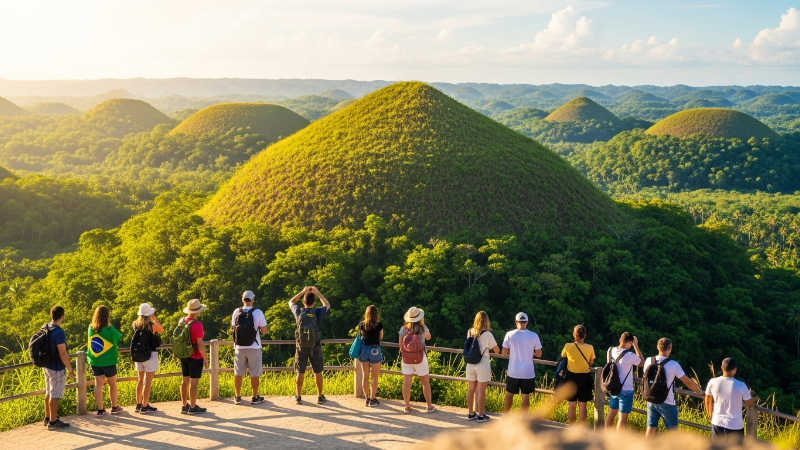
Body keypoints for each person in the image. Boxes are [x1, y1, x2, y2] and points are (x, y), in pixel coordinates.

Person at [644, 338, 703, 437]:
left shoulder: (648, 360)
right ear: (670, 348)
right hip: (667, 402)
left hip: (651, 398)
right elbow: (687, 381)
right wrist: (698, 391)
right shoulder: (673, 364)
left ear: (657, 347)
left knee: (651, 428)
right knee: (672, 432)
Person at [289, 286, 331, 405]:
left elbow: (291, 302)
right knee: (317, 371)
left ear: (303, 302)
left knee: (300, 372)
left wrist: (302, 291)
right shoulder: (317, 312)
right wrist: (318, 292)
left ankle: (298, 396)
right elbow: (327, 304)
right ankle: (320, 397)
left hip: (301, 347)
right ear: (314, 302)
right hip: (315, 346)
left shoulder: (298, 311)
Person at [704, 357, 755, 444]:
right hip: (735, 425)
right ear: (735, 369)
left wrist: (710, 416)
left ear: (722, 368)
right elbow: (750, 404)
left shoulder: (712, 381)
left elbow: (708, 401)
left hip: (717, 422)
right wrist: (748, 395)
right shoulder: (741, 385)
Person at [231, 290, 268, 405]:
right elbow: (264, 331)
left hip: (239, 346)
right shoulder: (258, 312)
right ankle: (255, 397)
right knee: (254, 372)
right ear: (253, 300)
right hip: (254, 346)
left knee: (238, 372)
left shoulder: (237, 311)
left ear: (243, 299)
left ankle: (237, 397)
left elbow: (233, 328)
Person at [502, 312, 542, 415]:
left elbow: (504, 353)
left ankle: (505, 417)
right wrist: (529, 351)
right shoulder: (534, 335)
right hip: (527, 372)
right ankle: (522, 421)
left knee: (509, 394)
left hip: (513, 371)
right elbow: (539, 354)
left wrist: (513, 351)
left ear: (516, 322)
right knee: (525, 396)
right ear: (527, 322)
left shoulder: (509, 334)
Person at [87, 305, 123, 416]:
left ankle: (100, 410)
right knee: (112, 384)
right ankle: (114, 407)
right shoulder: (109, 328)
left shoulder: (91, 328)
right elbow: (118, 336)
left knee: (98, 385)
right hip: (109, 360)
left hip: (95, 360)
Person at [43, 305, 75, 430]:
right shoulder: (59, 332)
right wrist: (69, 368)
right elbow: (62, 353)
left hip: (47, 365)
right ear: (62, 317)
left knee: (49, 391)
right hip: (56, 367)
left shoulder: (46, 327)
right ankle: (53, 422)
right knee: (55, 394)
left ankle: (47, 418)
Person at [604, 332, 644, 431]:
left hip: (613, 387)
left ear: (620, 340)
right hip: (626, 389)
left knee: (611, 413)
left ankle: (606, 436)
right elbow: (642, 363)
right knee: (622, 419)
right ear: (630, 342)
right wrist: (636, 345)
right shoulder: (630, 355)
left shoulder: (610, 350)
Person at [465, 311, 499, 423]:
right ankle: (480, 415)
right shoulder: (488, 334)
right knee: (481, 391)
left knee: (470, 389)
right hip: (482, 363)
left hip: (470, 362)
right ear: (487, 321)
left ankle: (470, 413)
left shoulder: (470, 331)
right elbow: (497, 350)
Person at [399, 306, 435, 414]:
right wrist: (423, 324)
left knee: (406, 384)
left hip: (406, 359)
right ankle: (429, 406)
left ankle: (407, 406)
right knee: (425, 384)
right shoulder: (422, 328)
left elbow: (400, 345)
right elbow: (429, 337)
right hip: (420, 358)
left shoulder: (403, 329)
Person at [560, 325, 596, 425]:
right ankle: (580, 429)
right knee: (583, 405)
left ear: (574, 334)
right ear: (585, 335)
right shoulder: (590, 347)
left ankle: (572, 427)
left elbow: (563, 355)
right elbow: (591, 362)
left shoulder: (568, 346)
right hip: (584, 377)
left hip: (571, 377)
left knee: (571, 404)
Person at [133, 303, 163, 414]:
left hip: (138, 355)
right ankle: (145, 406)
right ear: (149, 313)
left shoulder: (135, 324)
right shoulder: (152, 325)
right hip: (150, 355)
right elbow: (161, 330)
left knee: (140, 381)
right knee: (148, 382)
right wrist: (154, 318)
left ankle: (139, 404)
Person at [180, 299, 209, 415]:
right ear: (198, 311)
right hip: (195, 356)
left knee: (185, 380)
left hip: (184, 355)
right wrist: (206, 359)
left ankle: (184, 405)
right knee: (194, 383)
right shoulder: (197, 324)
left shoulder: (181, 321)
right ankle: (192, 407)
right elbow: (200, 344)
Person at [357, 305, 384, 407]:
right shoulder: (379, 325)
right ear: (376, 314)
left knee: (365, 375)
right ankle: (372, 399)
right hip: (375, 349)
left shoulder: (362, 324)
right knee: (374, 376)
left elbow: (360, 336)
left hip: (364, 349)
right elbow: (380, 337)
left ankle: (367, 398)